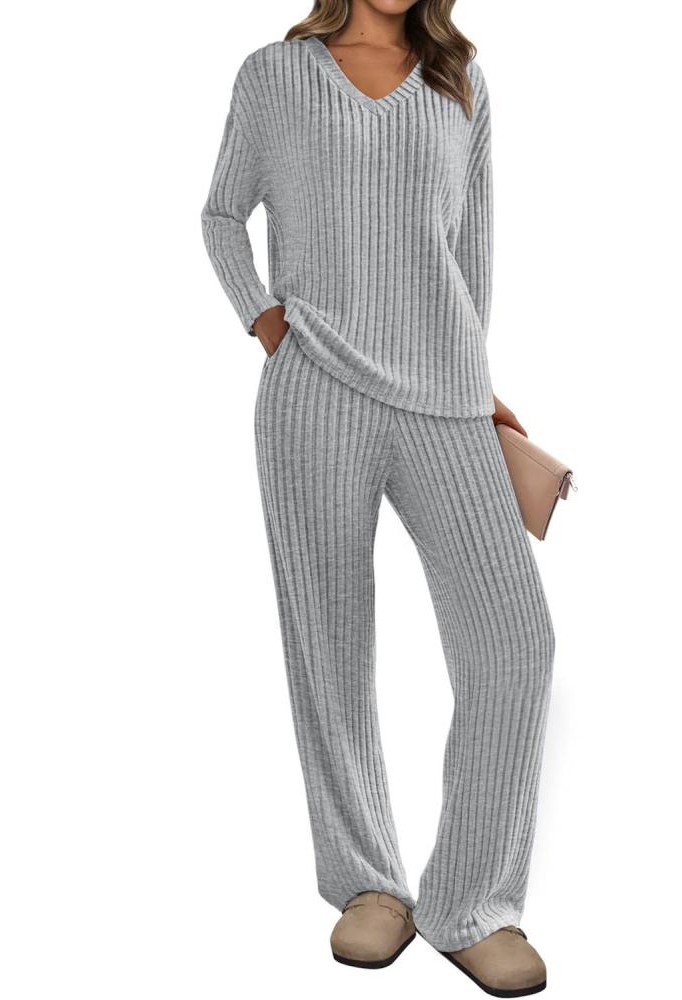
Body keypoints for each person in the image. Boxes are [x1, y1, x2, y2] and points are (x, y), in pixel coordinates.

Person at [201, 2, 555, 994]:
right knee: (331, 644)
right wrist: (267, 322)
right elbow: (221, 214)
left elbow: (471, 249)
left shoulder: (460, 80)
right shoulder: (274, 76)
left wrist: (477, 381)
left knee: (518, 644)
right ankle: (366, 883)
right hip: (314, 393)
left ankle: (470, 902)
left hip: (444, 394)